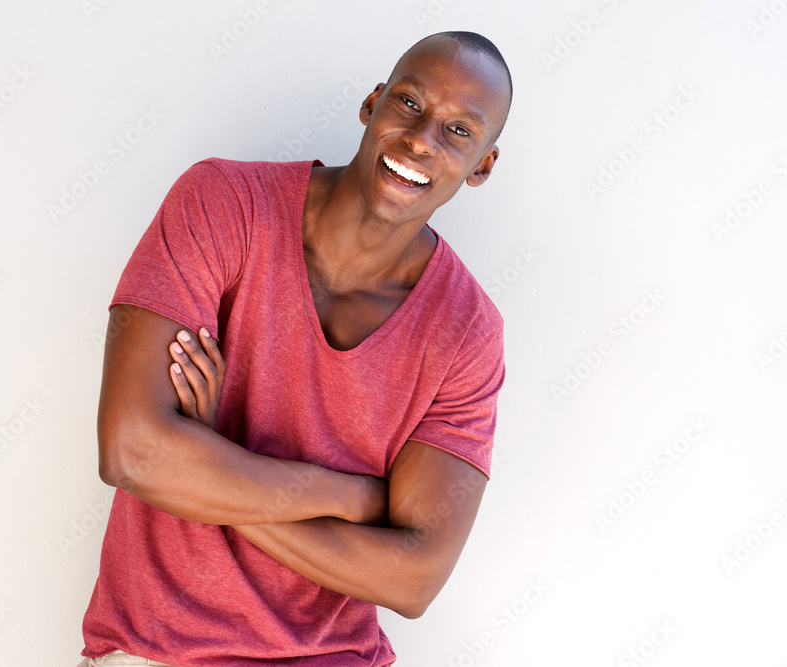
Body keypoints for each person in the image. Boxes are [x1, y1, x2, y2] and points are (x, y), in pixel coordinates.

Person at [78, 29, 513, 666]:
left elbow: (413, 580)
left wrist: (209, 461)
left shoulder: (467, 333)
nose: (421, 140)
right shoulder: (222, 204)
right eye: (411, 104)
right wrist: (356, 496)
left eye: (459, 131)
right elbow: (133, 451)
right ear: (372, 103)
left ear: (482, 166)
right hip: (157, 652)